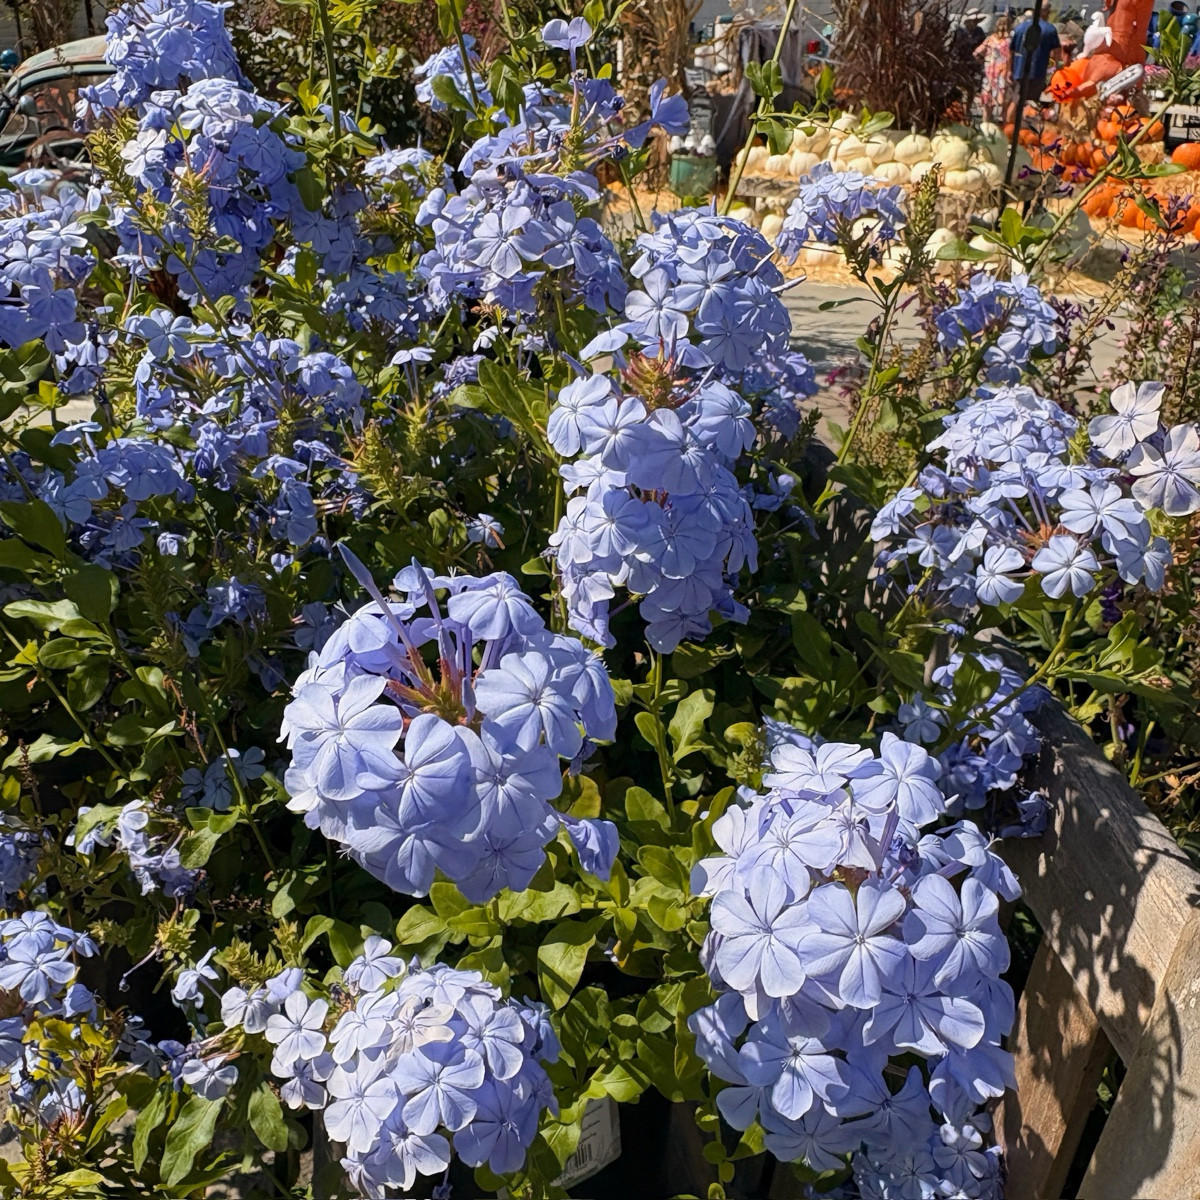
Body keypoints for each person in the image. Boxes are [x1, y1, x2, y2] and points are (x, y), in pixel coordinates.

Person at [1009, 9, 1062, 114]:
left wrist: (1010, 69)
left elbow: (1011, 50)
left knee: (1016, 101)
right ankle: (1026, 125)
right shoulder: (1050, 29)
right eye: (1048, 12)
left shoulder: (1019, 27)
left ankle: (1010, 124)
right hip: (1037, 72)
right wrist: (1059, 68)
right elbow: (1057, 53)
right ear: (1044, 12)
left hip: (1019, 71)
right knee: (1032, 103)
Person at [975, 13, 1013, 122]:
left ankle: (985, 124)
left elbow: (976, 52)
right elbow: (1009, 57)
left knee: (987, 104)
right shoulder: (1009, 41)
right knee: (1005, 103)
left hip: (989, 75)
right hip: (1002, 75)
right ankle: (1005, 127)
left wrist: (984, 61)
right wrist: (1010, 70)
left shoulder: (989, 39)